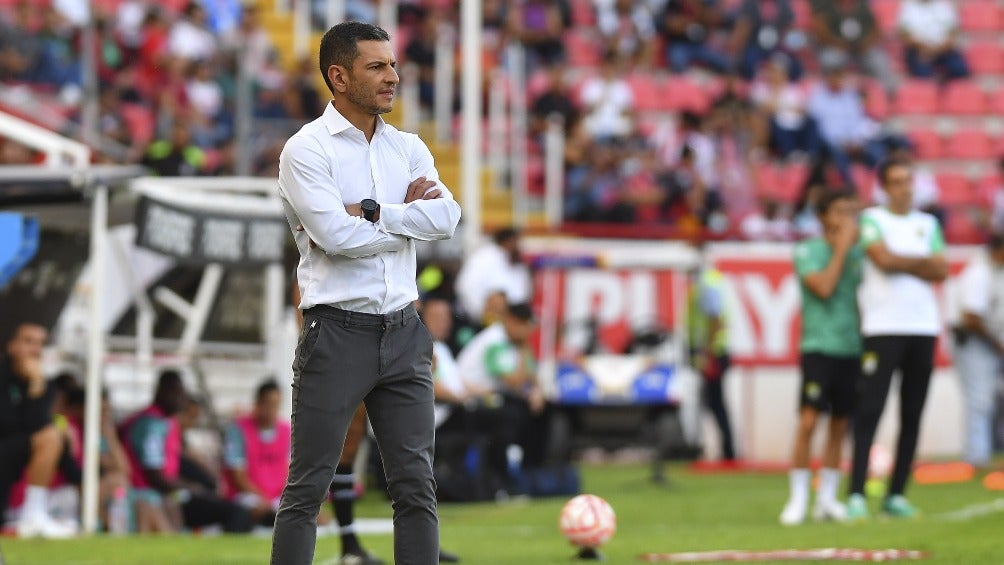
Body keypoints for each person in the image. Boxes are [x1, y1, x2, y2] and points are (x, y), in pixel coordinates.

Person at [270, 21, 461, 565]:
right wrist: (408, 215)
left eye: (392, 65)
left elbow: (448, 218)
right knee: (306, 489)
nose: (393, 77)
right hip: (336, 332)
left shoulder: (408, 146)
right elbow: (335, 237)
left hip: (404, 331)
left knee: (416, 489)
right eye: (376, 66)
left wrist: (377, 210)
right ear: (338, 76)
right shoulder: (305, 150)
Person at [847, 157, 949, 520]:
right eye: (897, 181)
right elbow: (881, 259)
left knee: (913, 414)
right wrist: (919, 263)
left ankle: (896, 494)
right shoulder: (873, 219)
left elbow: (942, 269)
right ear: (885, 187)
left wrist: (902, 261)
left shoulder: (928, 222)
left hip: (923, 327)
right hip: (883, 326)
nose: (905, 188)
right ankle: (856, 492)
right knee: (870, 410)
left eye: (909, 180)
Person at [780, 189, 863, 525]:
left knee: (840, 424)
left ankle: (827, 499)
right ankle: (798, 497)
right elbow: (824, 287)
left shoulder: (860, 254)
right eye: (840, 211)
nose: (847, 219)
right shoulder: (807, 251)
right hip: (817, 346)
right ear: (823, 217)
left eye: (851, 212)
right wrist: (842, 249)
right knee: (809, 421)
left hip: (851, 346)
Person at [120, 370, 253, 533]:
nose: (181, 398)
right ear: (163, 391)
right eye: (178, 392)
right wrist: (191, 488)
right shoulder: (152, 425)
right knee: (236, 512)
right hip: (156, 495)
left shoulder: (166, 422)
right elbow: (155, 475)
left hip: (170, 492)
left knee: (228, 505)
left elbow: (178, 460)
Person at [455, 303, 549, 490]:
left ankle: (532, 472)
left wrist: (537, 392)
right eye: (526, 326)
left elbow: (532, 376)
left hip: (493, 397)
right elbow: (514, 382)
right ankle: (501, 478)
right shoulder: (495, 341)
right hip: (469, 400)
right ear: (513, 322)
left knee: (544, 412)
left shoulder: (515, 341)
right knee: (511, 417)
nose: (529, 332)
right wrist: (523, 349)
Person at [0, 323, 77, 538]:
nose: (35, 349)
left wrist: (36, 384)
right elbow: (7, 424)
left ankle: (33, 515)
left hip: (10, 460)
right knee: (51, 435)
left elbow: (38, 425)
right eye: (28, 341)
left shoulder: (44, 384)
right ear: (12, 346)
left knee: (52, 435)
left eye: (41, 344)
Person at [951, 234, 1004, 469]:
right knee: (979, 399)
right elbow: (971, 317)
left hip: (987, 344)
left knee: (984, 399)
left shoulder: (994, 272)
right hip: (973, 343)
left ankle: (979, 453)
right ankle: (976, 457)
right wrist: (997, 343)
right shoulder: (979, 273)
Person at [687, 247, 737, 461]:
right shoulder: (710, 280)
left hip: (712, 353)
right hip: (712, 351)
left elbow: (714, 319)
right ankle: (723, 449)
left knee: (716, 404)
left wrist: (706, 353)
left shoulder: (706, 283)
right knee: (711, 403)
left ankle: (729, 452)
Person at [223, 379, 288, 527]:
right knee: (255, 510)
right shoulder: (238, 430)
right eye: (269, 404)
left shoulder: (285, 431)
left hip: (275, 498)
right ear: (258, 403)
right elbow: (238, 477)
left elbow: (287, 471)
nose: (273, 410)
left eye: (276, 405)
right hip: (247, 496)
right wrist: (263, 498)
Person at [455, 227, 532, 328]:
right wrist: (480, 314)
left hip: (509, 323)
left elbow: (522, 296)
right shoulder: (485, 256)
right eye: (515, 242)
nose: (518, 247)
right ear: (507, 241)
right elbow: (465, 286)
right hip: (479, 322)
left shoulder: (518, 266)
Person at [897, 0, 968, 81]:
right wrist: (924, 48)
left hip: (944, 49)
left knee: (960, 70)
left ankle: (945, 86)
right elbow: (905, 35)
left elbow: (953, 33)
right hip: (919, 50)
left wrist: (936, 50)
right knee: (924, 76)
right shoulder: (908, 6)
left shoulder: (944, 5)